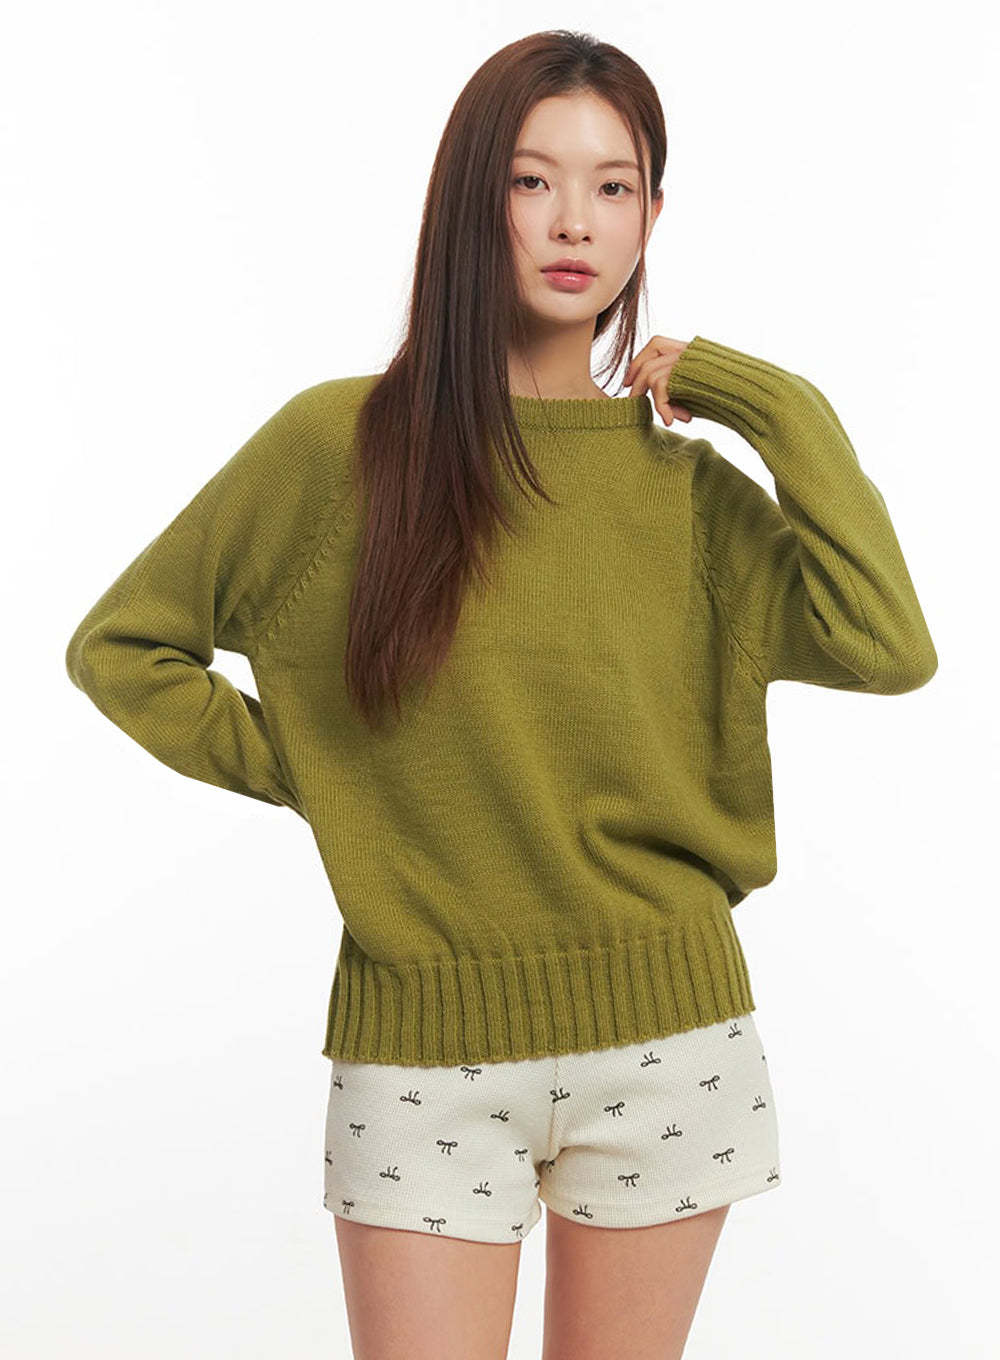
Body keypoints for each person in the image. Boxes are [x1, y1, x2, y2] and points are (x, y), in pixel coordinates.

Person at [64, 28, 938, 1360]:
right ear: (472, 200)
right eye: (533, 180)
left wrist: (764, 401)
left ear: (651, 216)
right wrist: (321, 765)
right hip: (422, 1047)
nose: (575, 221)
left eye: (614, 185)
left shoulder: (689, 496)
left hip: (669, 1038)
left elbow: (887, 644)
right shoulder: (337, 447)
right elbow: (126, 646)